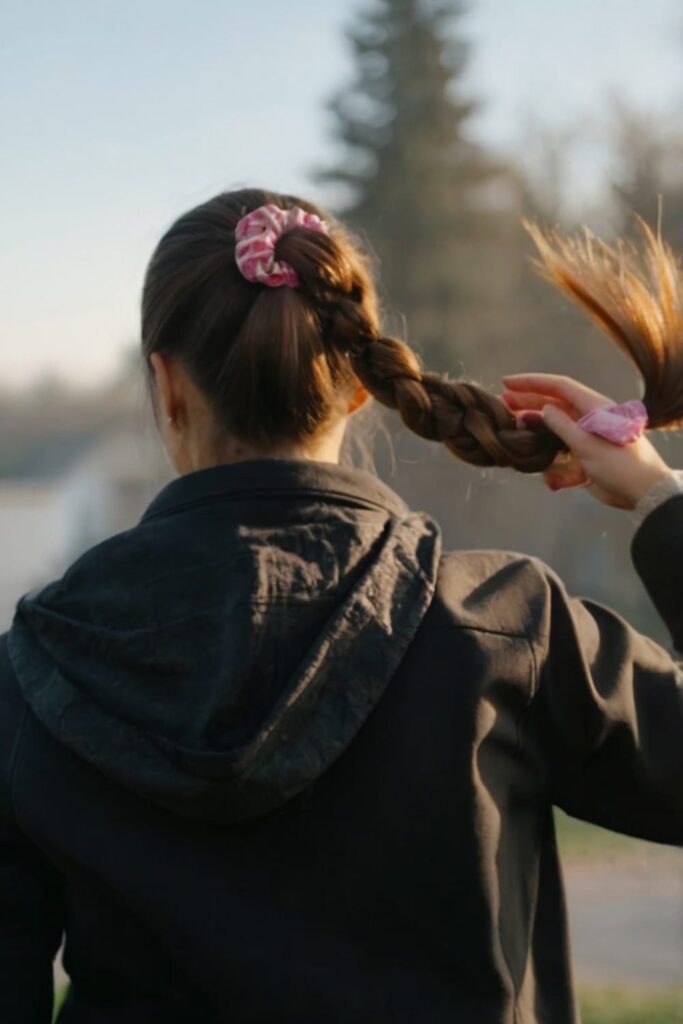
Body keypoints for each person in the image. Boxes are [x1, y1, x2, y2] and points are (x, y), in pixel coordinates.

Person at [1, 189, 682, 1024]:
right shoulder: (506, 630)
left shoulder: (40, 667)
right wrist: (659, 500)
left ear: (166, 384)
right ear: (359, 388)